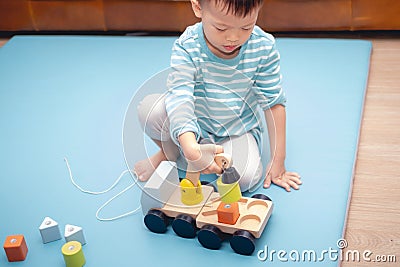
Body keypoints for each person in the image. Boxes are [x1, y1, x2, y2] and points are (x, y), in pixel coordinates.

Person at [134, 0, 301, 192]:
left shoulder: (262, 47)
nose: (233, 38)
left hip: (236, 131)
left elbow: (273, 103)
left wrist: (278, 160)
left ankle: (200, 155)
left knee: (245, 179)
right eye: (221, 28)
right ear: (198, 8)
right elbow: (180, 96)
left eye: (246, 27)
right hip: (193, 125)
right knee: (149, 110)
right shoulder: (188, 45)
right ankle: (170, 152)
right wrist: (189, 145)